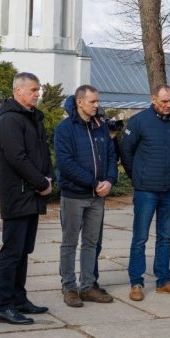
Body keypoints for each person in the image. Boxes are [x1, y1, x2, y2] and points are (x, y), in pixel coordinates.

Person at [0, 72, 54, 325]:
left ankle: (19, 298)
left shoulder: (32, 118)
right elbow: (17, 158)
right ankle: (4, 305)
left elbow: (42, 152)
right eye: (33, 89)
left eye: (38, 89)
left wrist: (49, 177)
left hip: (32, 195)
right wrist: (40, 183)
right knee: (12, 251)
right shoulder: (9, 120)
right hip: (18, 195)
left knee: (24, 251)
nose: (37, 94)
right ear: (18, 91)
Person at [121, 84, 170, 300]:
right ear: (153, 99)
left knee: (165, 237)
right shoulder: (139, 121)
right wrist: (138, 177)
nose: (168, 105)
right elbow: (126, 152)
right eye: (164, 101)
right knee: (140, 238)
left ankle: (164, 280)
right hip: (146, 190)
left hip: (169, 189)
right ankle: (136, 282)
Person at [55, 86, 116, 309]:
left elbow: (111, 155)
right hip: (74, 195)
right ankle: (69, 287)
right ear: (79, 102)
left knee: (91, 242)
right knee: (70, 242)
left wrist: (109, 180)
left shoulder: (100, 127)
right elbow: (65, 163)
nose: (96, 105)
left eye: (97, 101)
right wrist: (93, 182)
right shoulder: (65, 128)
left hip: (97, 197)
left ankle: (88, 285)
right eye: (92, 101)